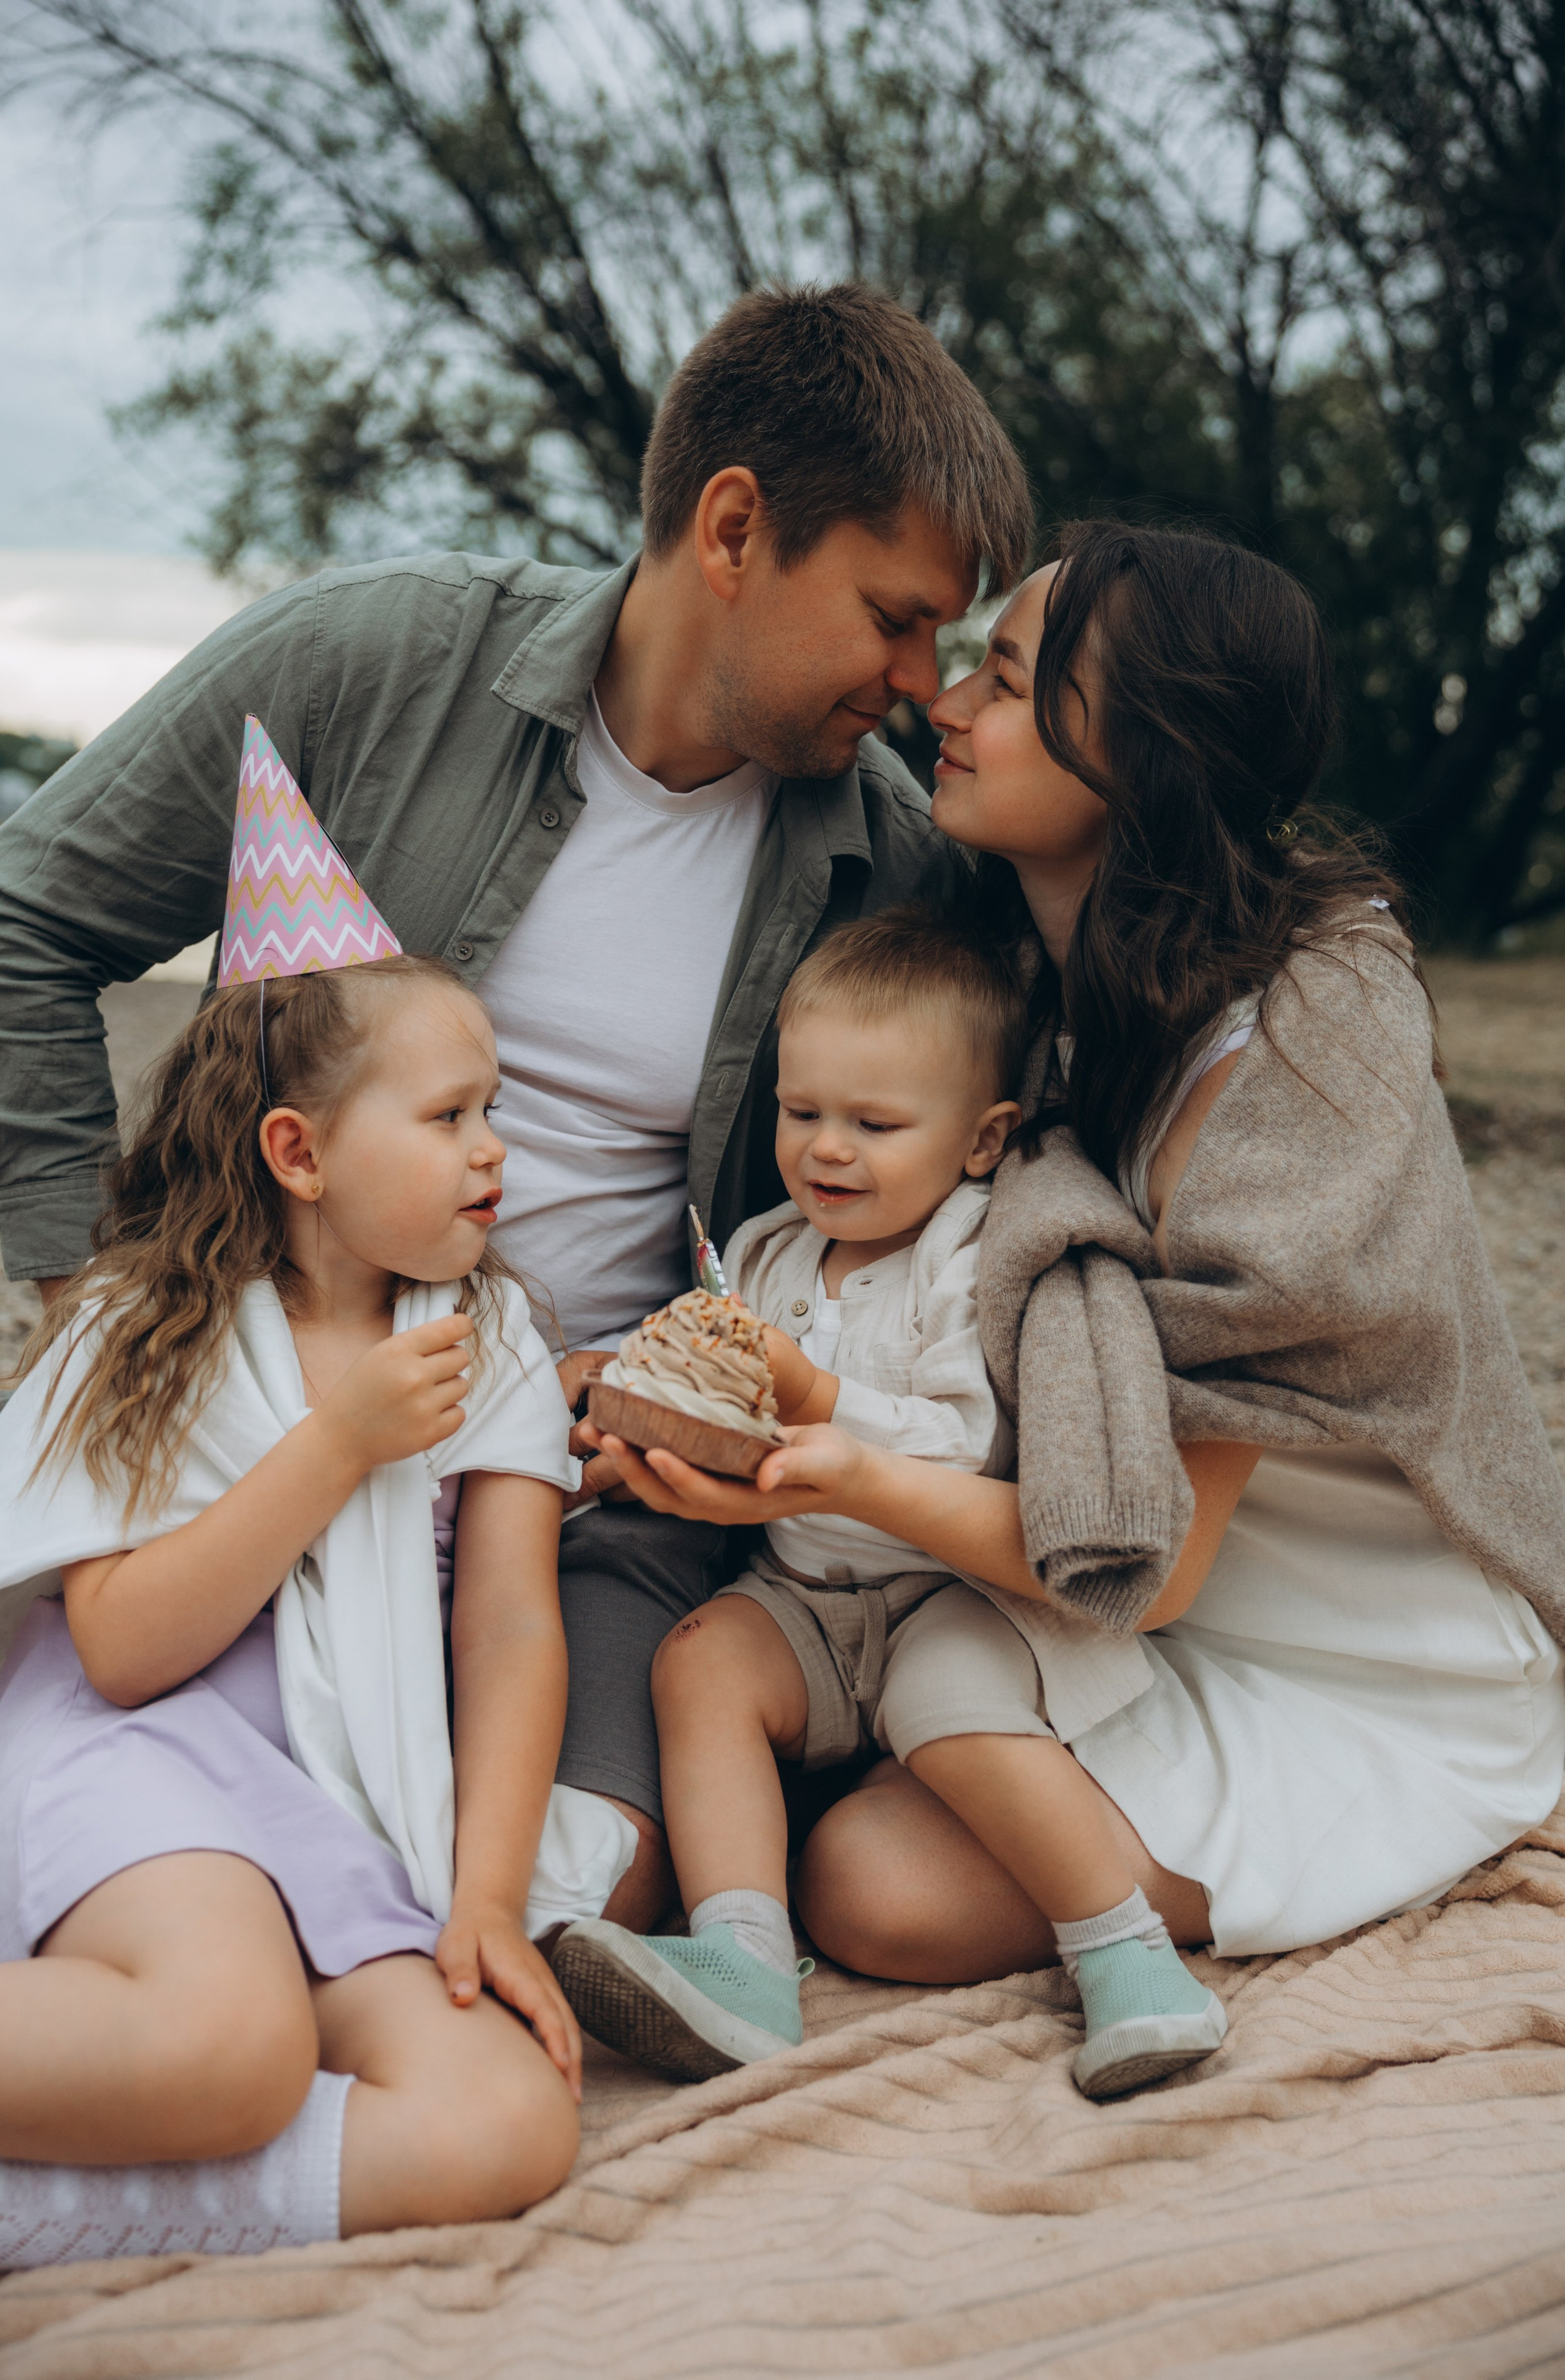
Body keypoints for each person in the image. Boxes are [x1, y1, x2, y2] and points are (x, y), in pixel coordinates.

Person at [0, 286, 1033, 1918]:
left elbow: (958, 1162)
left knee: (574, 1887)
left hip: (593, 1503)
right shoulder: (371, 661)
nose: (917, 680)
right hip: (257, 1424)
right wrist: (110, 1325)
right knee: (162, 1830)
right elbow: (15, 925)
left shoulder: (886, 861)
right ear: (735, 528)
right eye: (895, 616)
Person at [583, 520, 1565, 2076]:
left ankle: (1351, 1843)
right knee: (850, 1864)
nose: (945, 704)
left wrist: (838, 1469)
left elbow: (1152, 1566)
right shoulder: (1015, 1005)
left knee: (876, 1890)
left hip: (1312, 1640)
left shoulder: (1305, 1046)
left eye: (1009, 682)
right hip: (1053, 1602)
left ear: (1144, 753)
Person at [0, 953, 604, 2268]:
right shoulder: (141, 1331)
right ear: (298, 1152)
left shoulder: (485, 1347)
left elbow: (506, 1637)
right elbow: (125, 1655)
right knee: (232, 2047)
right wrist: (336, 1446)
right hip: (133, 1756)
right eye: (448, 1118)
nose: (494, 1153)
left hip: (333, 1799)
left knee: (504, 2119)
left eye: (492, 1111)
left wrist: (483, 1898)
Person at [555, 909, 1163, 2083]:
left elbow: (968, 1445)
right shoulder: (768, 1251)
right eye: (802, 1113)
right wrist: (633, 1399)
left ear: (983, 1139)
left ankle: (1124, 1953)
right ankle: (741, 1954)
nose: (828, 1150)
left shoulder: (967, 1258)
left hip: (946, 1593)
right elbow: (729, 1408)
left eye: (875, 1125)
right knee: (699, 1663)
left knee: (958, 1716)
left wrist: (820, 1396)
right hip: (798, 1590)